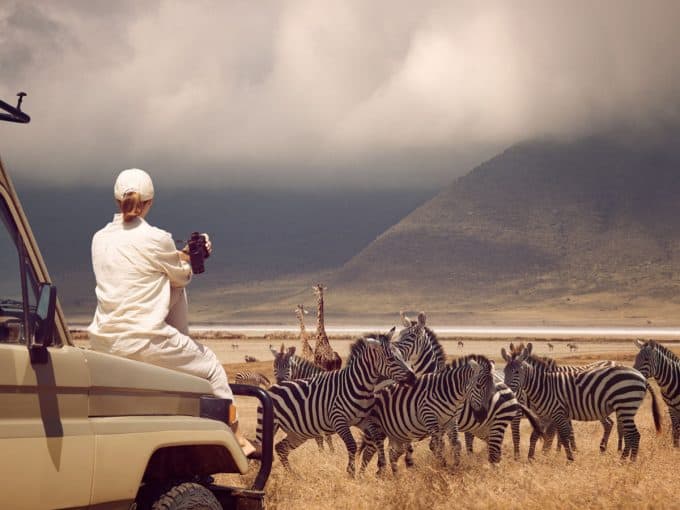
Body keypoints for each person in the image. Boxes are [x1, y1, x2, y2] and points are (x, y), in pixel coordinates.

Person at [87, 168, 256, 456]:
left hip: (103, 342)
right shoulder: (158, 238)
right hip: (144, 341)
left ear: (117, 200)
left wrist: (182, 254)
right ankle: (237, 434)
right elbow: (181, 276)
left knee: (171, 288)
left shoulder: (98, 239)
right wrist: (195, 256)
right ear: (150, 202)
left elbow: (144, 262)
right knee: (212, 365)